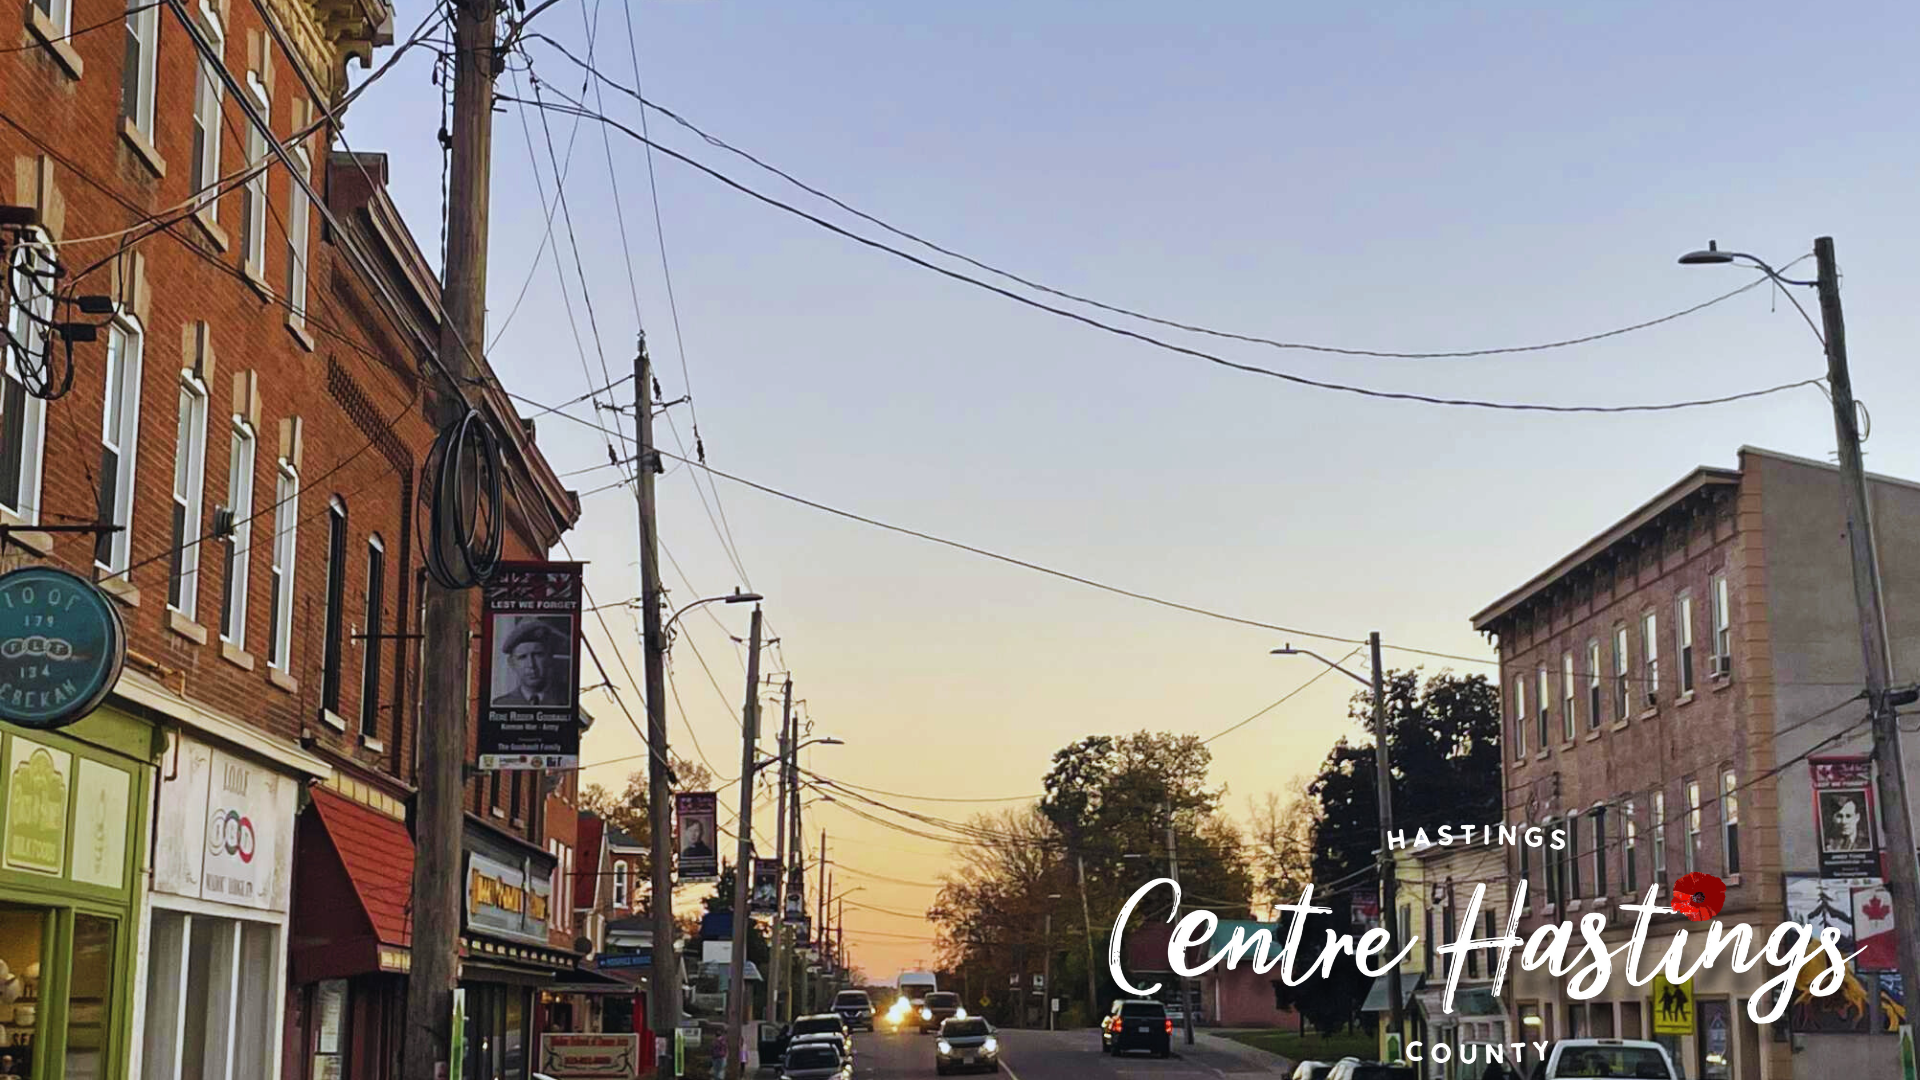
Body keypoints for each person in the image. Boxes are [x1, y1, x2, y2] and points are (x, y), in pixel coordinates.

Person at [494, 620, 566, 706]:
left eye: (538, 655)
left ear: (549, 658)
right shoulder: (502, 704)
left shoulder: (565, 701)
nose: (531, 665)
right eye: (522, 657)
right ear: (512, 663)